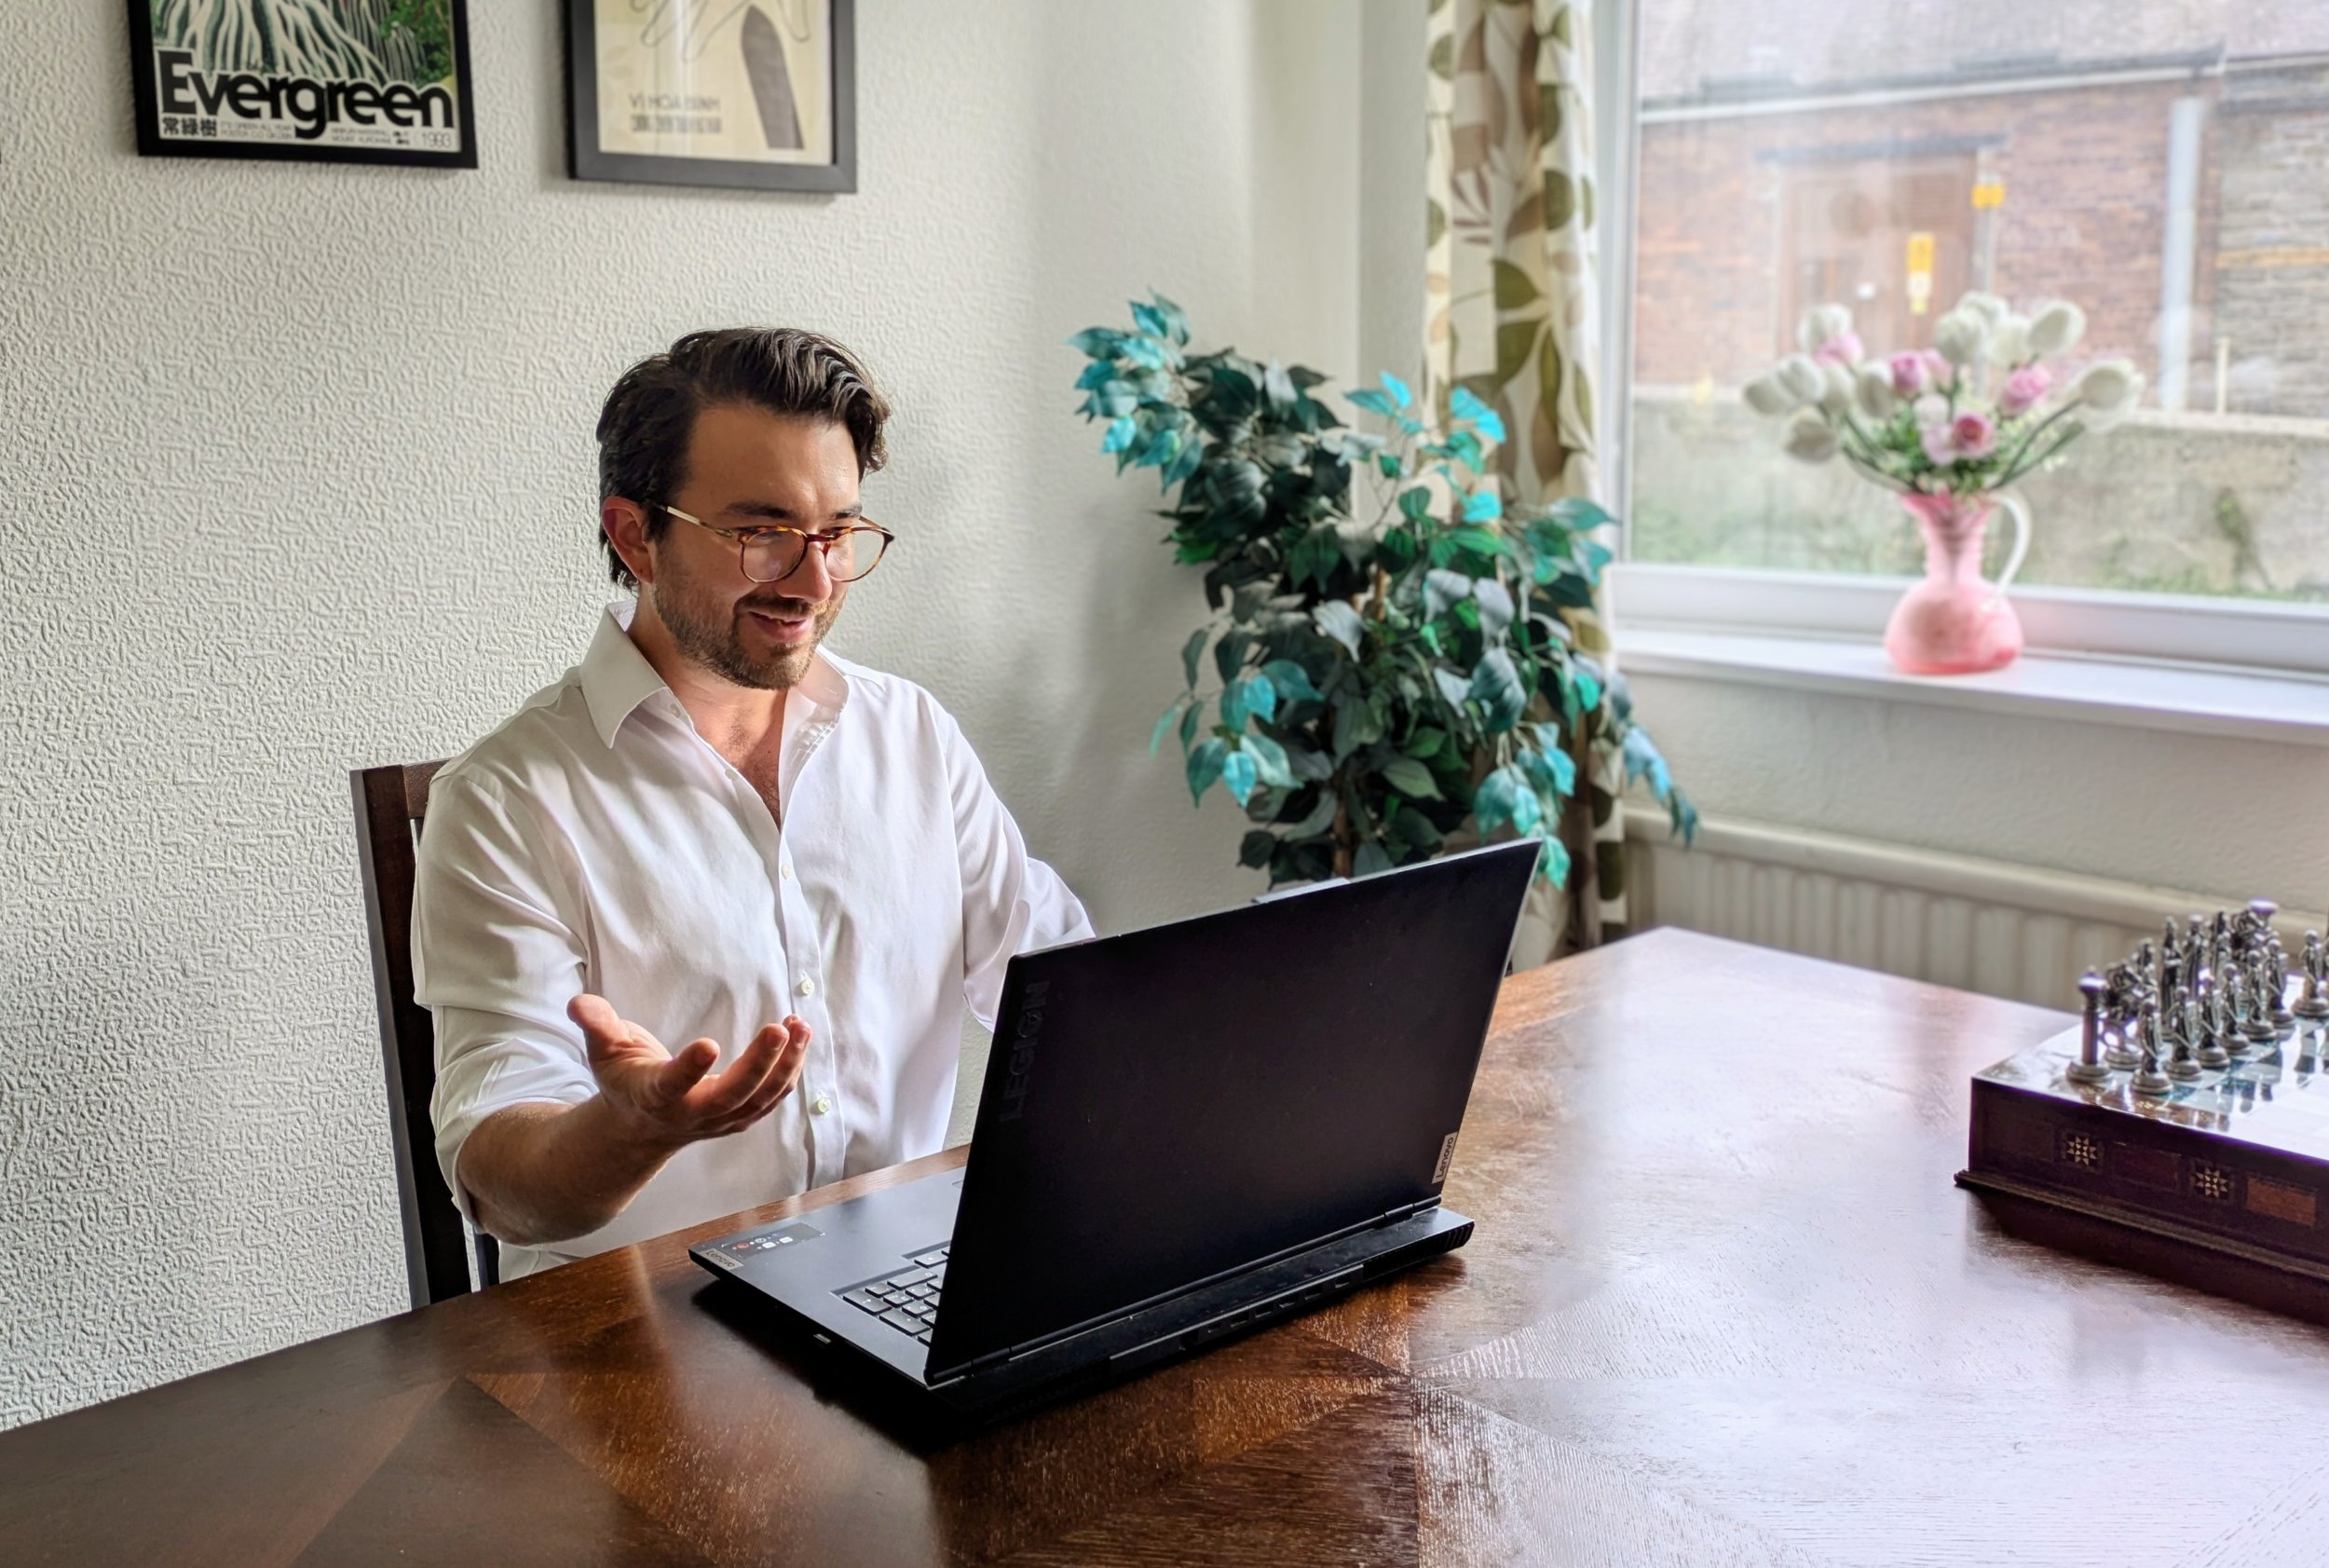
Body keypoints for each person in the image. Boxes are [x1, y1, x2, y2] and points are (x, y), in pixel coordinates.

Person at [413, 327, 1092, 1278]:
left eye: (839, 533)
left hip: (908, 1293)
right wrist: (632, 1129)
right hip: (645, 1346)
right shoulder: (505, 801)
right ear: (632, 534)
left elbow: (1070, 993)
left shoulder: (912, 738)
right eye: (762, 534)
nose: (814, 583)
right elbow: (500, 1189)